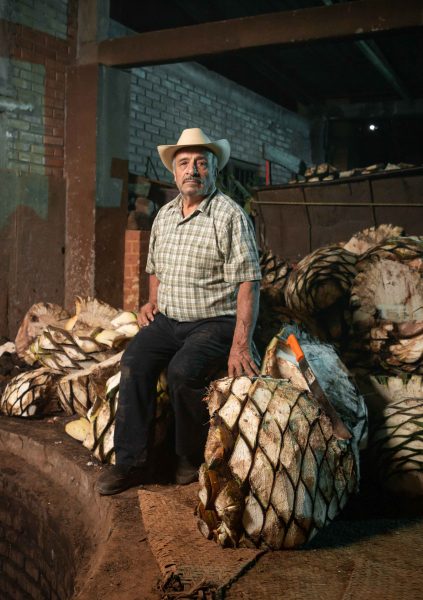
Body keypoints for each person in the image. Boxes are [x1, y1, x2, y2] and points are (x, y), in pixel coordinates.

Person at [96, 128, 261, 495]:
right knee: (135, 361)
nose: (193, 170)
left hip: (214, 322)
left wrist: (240, 344)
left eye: (202, 163)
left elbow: (249, 283)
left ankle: (188, 457)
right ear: (174, 172)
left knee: (182, 372)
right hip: (169, 319)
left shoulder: (230, 216)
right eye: (184, 163)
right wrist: (151, 302)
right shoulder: (166, 215)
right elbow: (155, 267)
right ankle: (130, 463)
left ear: (214, 171)